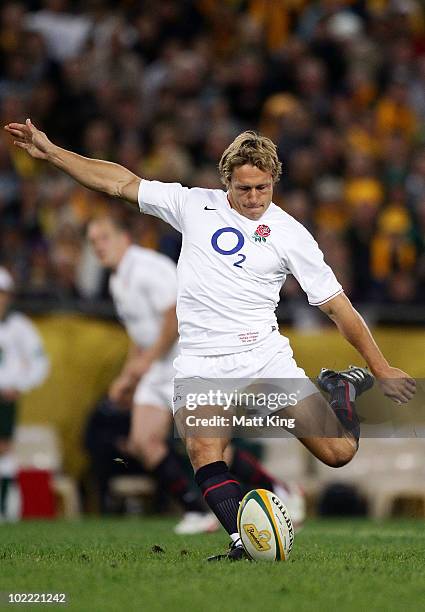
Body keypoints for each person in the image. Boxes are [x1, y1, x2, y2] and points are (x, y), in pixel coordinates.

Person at [5, 121, 416, 560]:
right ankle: (244, 541)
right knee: (204, 450)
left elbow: (338, 307)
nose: (254, 198)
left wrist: (379, 367)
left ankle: (342, 389)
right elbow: (120, 181)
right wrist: (53, 153)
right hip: (201, 361)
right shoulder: (192, 205)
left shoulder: (291, 234)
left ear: (273, 182)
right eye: (244, 189)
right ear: (226, 183)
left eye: (262, 188)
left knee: (338, 453)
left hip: (264, 357)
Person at [87, 215, 217, 534]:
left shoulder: (147, 267)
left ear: (124, 238)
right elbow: (141, 334)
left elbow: (173, 317)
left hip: (187, 357)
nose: (98, 247)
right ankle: (197, 511)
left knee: (206, 443)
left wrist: (146, 364)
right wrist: (128, 377)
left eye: (104, 237)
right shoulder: (118, 279)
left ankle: (275, 488)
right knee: (143, 441)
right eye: (93, 242)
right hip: (159, 363)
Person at [0, 266, 50, 519]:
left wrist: (19, 385)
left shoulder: (19, 327)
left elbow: (40, 362)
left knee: (4, 448)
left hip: (5, 399)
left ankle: (5, 509)